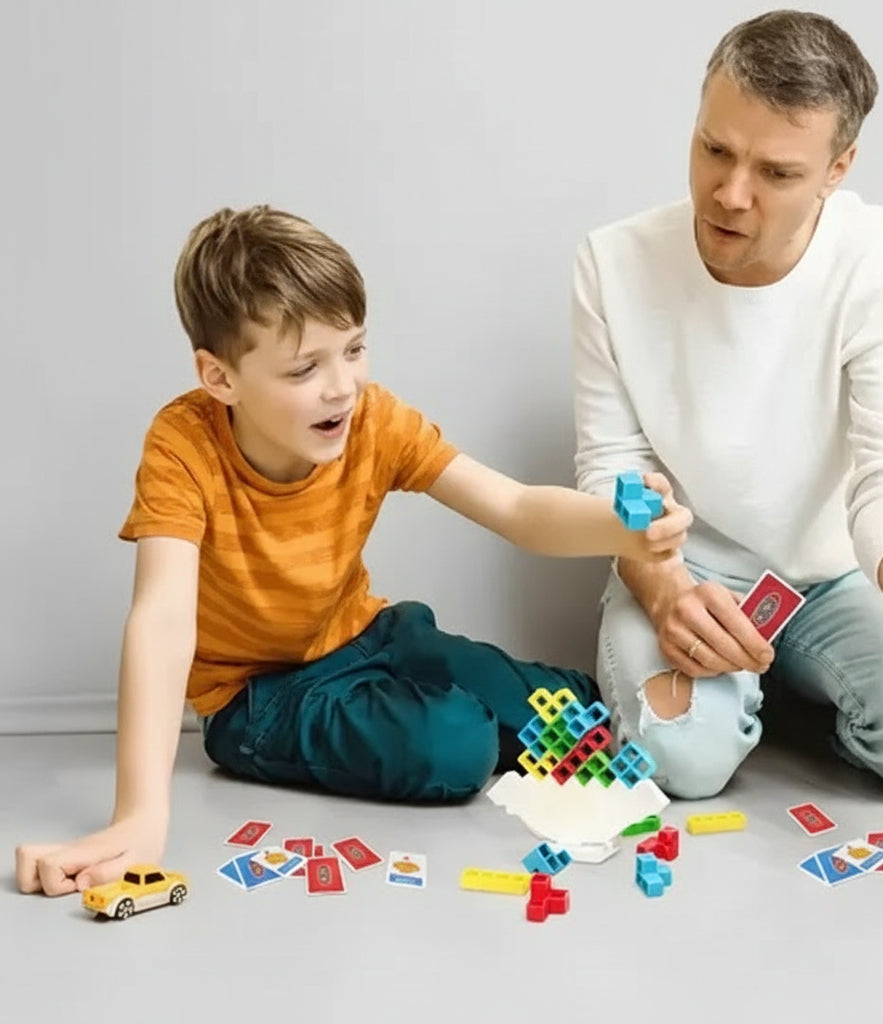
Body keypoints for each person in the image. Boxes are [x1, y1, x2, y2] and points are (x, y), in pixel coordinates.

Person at [16, 204, 692, 897]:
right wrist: (139, 814)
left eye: (354, 349)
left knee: (568, 704)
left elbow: (516, 508)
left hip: (368, 636)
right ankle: (447, 723)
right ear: (220, 379)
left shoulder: (372, 419)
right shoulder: (182, 447)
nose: (342, 384)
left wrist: (620, 528)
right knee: (459, 746)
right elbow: (161, 621)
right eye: (305, 368)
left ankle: (446, 707)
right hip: (256, 698)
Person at [571, 9, 883, 803]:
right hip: (689, 564)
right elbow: (611, 469)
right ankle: (733, 707)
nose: (730, 194)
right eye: (714, 149)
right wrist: (666, 586)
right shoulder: (614, 263)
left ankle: (795, 698)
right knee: (683, 763)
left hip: (841, 573)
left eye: (776, 173)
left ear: (838, 168)